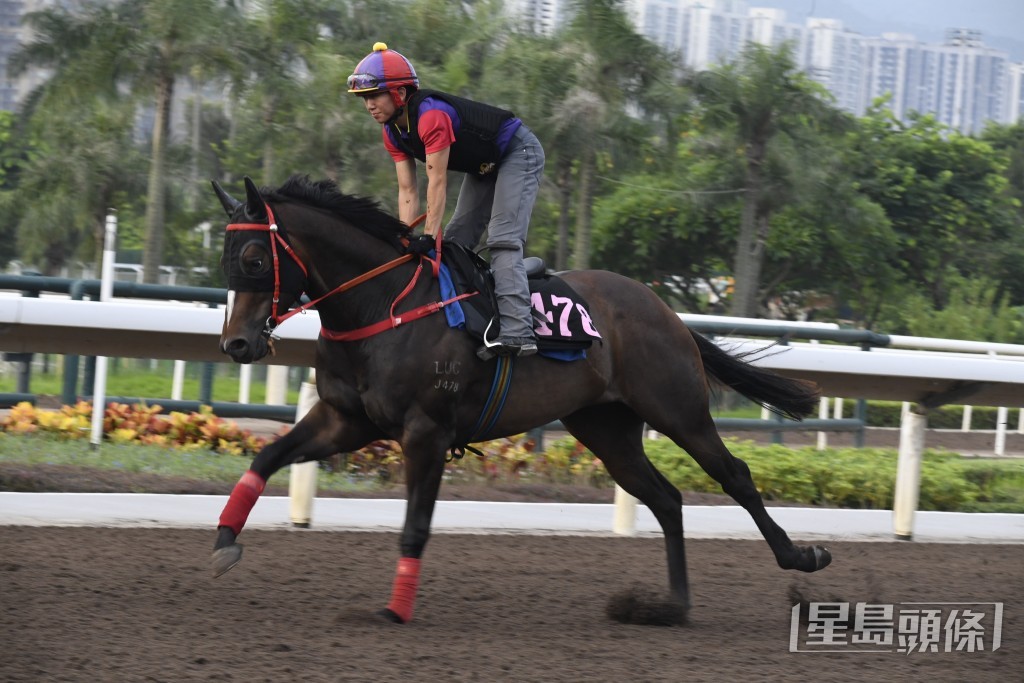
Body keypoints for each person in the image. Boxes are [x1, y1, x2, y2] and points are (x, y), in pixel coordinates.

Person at [347, 42, 545, 357]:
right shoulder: (392, 132)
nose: (369, 105)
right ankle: (472, 319)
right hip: (485, 165)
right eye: (364, 99)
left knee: (503, 239)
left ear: (399, 94)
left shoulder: (430, 116)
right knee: (453, 242)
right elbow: (407, 191)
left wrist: (427, 236)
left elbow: (437, 183)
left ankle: (519, 332)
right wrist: (406, 237)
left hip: (517, 152)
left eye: (374, 96)